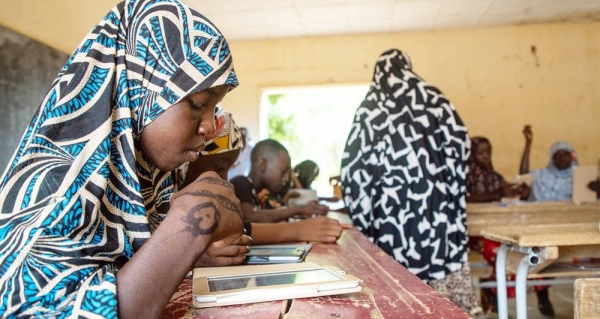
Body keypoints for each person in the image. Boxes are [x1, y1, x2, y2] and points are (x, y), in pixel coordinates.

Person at [0, 1, 248, 318]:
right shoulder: (55, 190)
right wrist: (192, 219)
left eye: (215, 109)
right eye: (198, 103)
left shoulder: (145, 177)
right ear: (138, 91)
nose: (209, 127)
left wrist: (183, 256)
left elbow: (116, 271)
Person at [341, 49, 483, 316]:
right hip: (436, 209)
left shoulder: (371, 106)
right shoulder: (435, 99)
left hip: (390, 216)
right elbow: (462, 145)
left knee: (395, 283)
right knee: (439, 270)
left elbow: (353, 169)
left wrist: (364, 218)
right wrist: (447, 187)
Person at [180, 108, 343, 249]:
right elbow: (244, 222)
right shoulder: (242, 183)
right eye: (220, 168)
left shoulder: (261, 192)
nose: (225, 180)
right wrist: (298, 227)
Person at [230, 139, 329, 223]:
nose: (286, 178)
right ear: (262, 165)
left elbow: (271, 215)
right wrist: (298, 209)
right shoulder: (241, 184)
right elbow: (250, 217)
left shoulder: (266, 192)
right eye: (283, 171)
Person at [520, 125, 577, 201]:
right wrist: (528, 144)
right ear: (552, 159)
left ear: (572, 157)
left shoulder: (579, 178)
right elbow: (524, 176)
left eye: (565, 154)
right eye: (558, 155)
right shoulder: (542, 175)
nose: (562, 158)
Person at [466, 136, 530, 202]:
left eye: (488, 152)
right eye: (481, 153)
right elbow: (464, 198)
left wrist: (518, 190)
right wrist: (495, 195)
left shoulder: (495, 176)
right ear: (471, 155)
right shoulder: (467, 176)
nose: (486, 156)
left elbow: (503, 189)